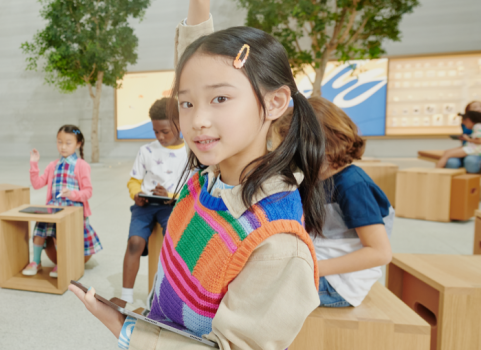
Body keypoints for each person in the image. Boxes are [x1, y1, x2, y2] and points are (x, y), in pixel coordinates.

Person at [69, 0, 328, 348]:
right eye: (187, 104)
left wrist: (125, 329)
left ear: (275, 103)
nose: (197, 120)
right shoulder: (212, 178)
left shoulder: (278, 244)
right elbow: (196, 65)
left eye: (220, 99)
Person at [274, 97, 393, 307]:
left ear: (325, 146)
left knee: (267, 293)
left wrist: (314, 268)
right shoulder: (315, 179)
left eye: (294, 151)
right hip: (317, 267)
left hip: (339, 283)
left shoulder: (353, 185)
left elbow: (380, 252)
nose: (289, 159)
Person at [121, 97, 188, 304]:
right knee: (134, 243)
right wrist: (137, 194)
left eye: (164, 131)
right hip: (145, 205)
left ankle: (166, 293)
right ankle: (126, 296)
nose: (159, 136)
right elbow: (134, 181)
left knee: (174, 243)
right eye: (155, 131)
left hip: (172, 207)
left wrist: (171, 197)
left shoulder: (190, 152)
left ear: (179, 124)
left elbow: (193, 188)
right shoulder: (146, 151)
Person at [23, 125, 103, 277]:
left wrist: (72, 194)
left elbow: (88, 192)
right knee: (39, 232)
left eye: (68, 142)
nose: (63, 146)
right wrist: (34, 164)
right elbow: (37, 184)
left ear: (78, 144)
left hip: (72, 210)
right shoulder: (53, 165)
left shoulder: (82, 166)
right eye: (59, 142)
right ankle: (36, 261)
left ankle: (62, 263)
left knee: (59, 235)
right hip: (53, 208)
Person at [443, 101, 481, 172]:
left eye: (480, 106)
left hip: (477, 150)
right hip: (467, 147)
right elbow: (465, 139)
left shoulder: (477, 126)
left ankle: (471, 181)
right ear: (468, 112)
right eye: (475, 107)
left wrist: (469, 139)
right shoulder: (466, 123)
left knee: (470, 161)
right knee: (451, 162)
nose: (479, 109)